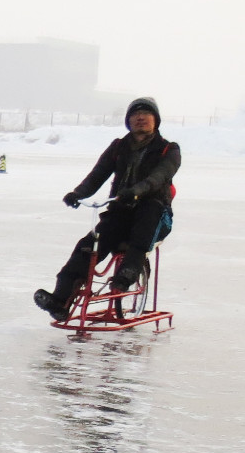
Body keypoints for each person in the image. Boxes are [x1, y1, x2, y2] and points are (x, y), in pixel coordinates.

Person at [34, 97, 180, 320]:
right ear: (128, 121)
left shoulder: (168, 150)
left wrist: (137, 190)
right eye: (135, 114)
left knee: (145, 224)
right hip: (121, 211)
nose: (140, 118)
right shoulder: (118, 147)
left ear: (156, 120)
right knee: (88, 246)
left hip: (154, 212)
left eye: (146, 114)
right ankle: (60, 300)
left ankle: (127, 274)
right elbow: (97, 175)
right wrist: (78, 193)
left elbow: (159, 177)